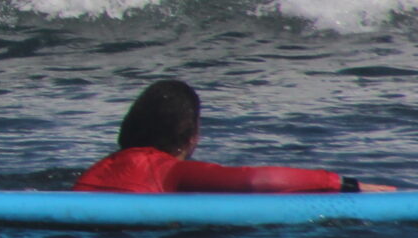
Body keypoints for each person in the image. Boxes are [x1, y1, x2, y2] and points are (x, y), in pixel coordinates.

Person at [74, 79, 392, 193]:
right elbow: (255, 181)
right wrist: (342, 184)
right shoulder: (167, 170)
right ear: (191, 136)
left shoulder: (101, 167)